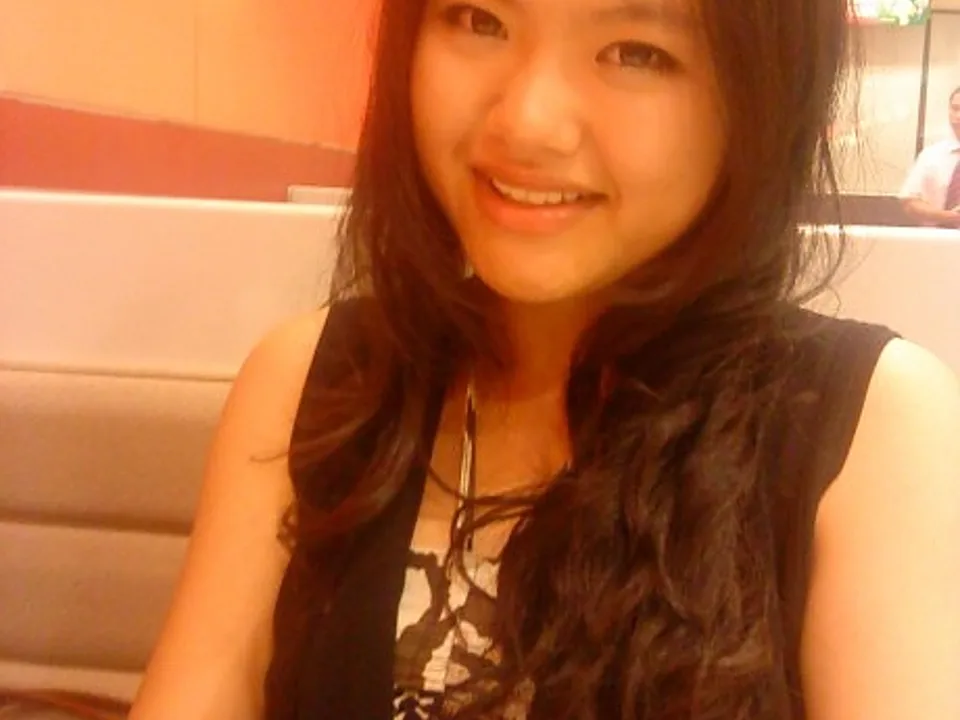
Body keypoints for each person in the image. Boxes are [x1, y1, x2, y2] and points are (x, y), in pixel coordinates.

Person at [130, 1, 960, 719]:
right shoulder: (311, 381)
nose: (526, 120)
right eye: (479, 19)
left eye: (637, 52)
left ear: (762, 96)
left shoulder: (870, 434)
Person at [900, 85, 960, 228]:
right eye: (955, 108)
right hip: (934, 239)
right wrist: (950, 217)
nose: (958, 116)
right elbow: (910, 203)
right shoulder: (931, 155)